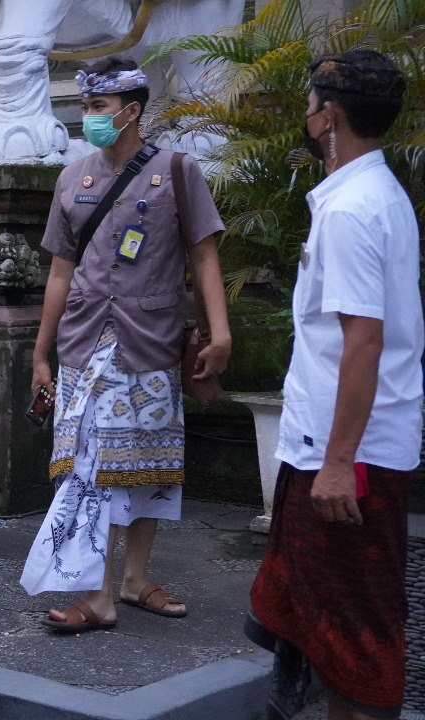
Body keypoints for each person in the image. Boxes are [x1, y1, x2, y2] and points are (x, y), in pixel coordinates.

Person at [18, 58, 231, 632]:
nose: (88, 118)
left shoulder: (178, 170)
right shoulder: (72, 178)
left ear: (130, 111)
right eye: (84, 107)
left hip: (152, 338)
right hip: (86, 342)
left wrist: (222, 330)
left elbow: (204, 254)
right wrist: (42, 352)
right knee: (90, 464)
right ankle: (98, 593)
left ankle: (134, 580)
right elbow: (61, 271)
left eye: (97, 109)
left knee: (148, 465)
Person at [247, 50, 421, 720]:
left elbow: (363, 340)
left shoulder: (353, 209)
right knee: (319, 618)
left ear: (330, 117)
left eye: (311, 101)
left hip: (349, 454)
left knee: (353, 628)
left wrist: (341, 463)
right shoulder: (369, 196)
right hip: (330, 442)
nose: (306, 112)